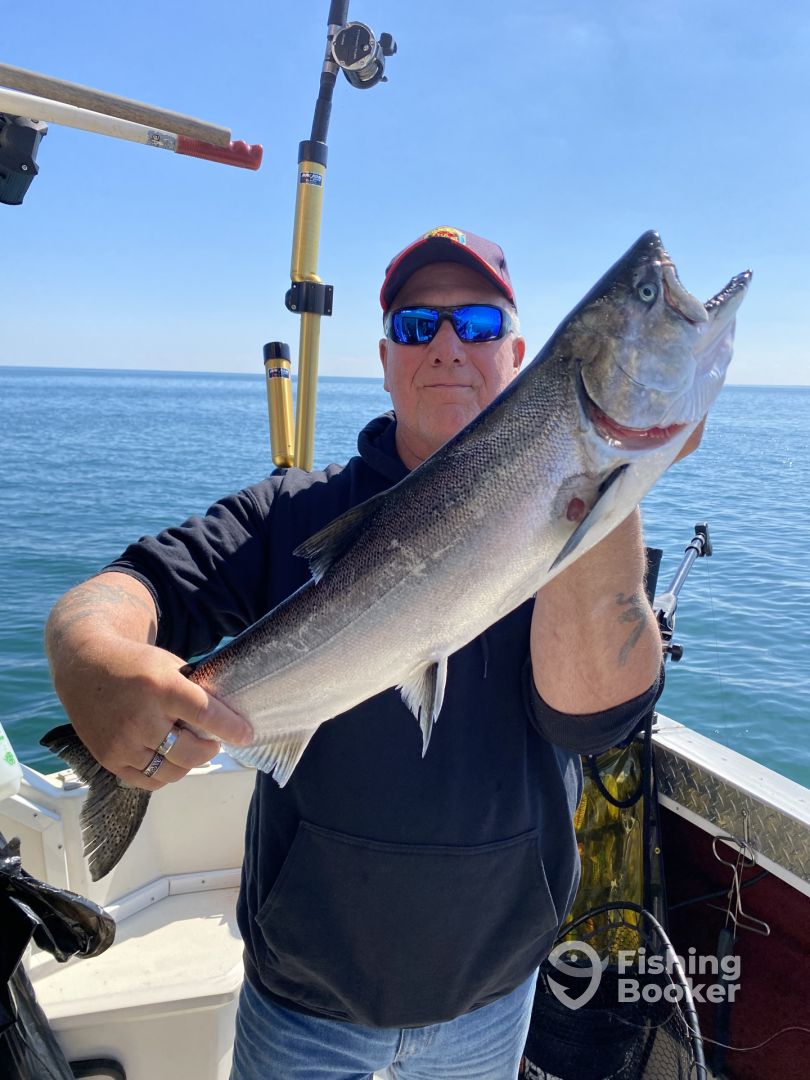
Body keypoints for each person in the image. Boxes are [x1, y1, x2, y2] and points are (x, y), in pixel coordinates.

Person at [46, 226, 675, 1080]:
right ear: (384, 361)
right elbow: (133, 588)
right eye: (417, 326)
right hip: (304, 997)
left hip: (493, 992)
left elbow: (595, 722)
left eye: (477, 323)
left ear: (520, 356)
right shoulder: (291, 513)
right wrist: (87, 657)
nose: (447, 345)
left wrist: (607, 472)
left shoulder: (579, 541)